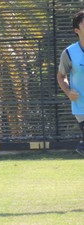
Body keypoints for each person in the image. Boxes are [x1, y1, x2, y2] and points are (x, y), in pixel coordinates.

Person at [57, 10, 84, 156]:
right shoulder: (69, 53)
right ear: (77, 30)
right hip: (81, 106)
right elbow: (61, 76)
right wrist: (68, 92)